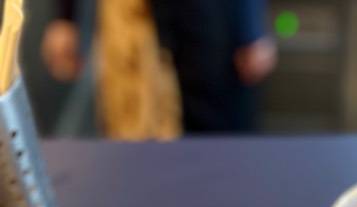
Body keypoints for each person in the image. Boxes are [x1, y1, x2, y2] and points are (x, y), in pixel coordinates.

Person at [41, 0, 277, 137]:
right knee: (130, 142)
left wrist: (251, 24)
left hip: (210, 20)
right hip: (129, 25)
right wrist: (66, 16)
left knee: (218, 138)